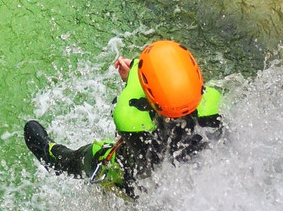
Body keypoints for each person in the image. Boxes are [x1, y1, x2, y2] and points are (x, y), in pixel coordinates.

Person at [24, 39, 222, 197]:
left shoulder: (128, 118)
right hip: (181, 181)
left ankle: (49, 154)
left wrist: (135, 68)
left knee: (93, 156)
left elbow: (133, 88)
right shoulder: (212, 103)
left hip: (134, 185)